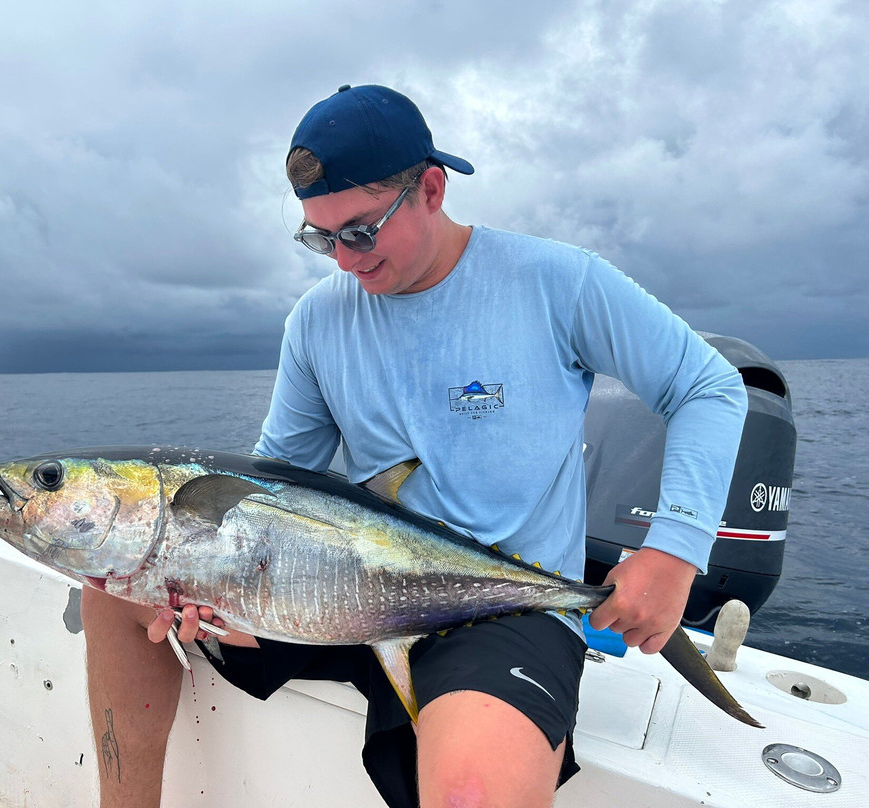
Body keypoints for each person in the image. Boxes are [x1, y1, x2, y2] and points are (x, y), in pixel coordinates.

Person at [81, 84, 748, 808]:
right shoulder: (316, 323)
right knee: (111, 579)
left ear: (430, 188)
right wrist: (205, 576)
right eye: (320, 237)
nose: (342, 261)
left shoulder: (556, 282)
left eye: (360, 232)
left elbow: (709, 386)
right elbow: (275, 484)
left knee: (469, 794)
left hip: (497, 614)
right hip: (332, 593)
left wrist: (675, 550)